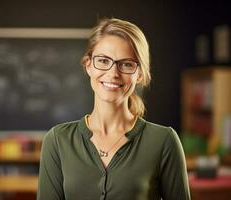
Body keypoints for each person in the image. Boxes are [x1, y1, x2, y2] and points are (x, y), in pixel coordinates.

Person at [37, 18, 191, 200]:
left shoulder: (164, 141)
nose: (113, 73)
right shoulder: (57, 141)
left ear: (140, 73)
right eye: (103, 60)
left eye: (126, 64)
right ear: (88, 66)